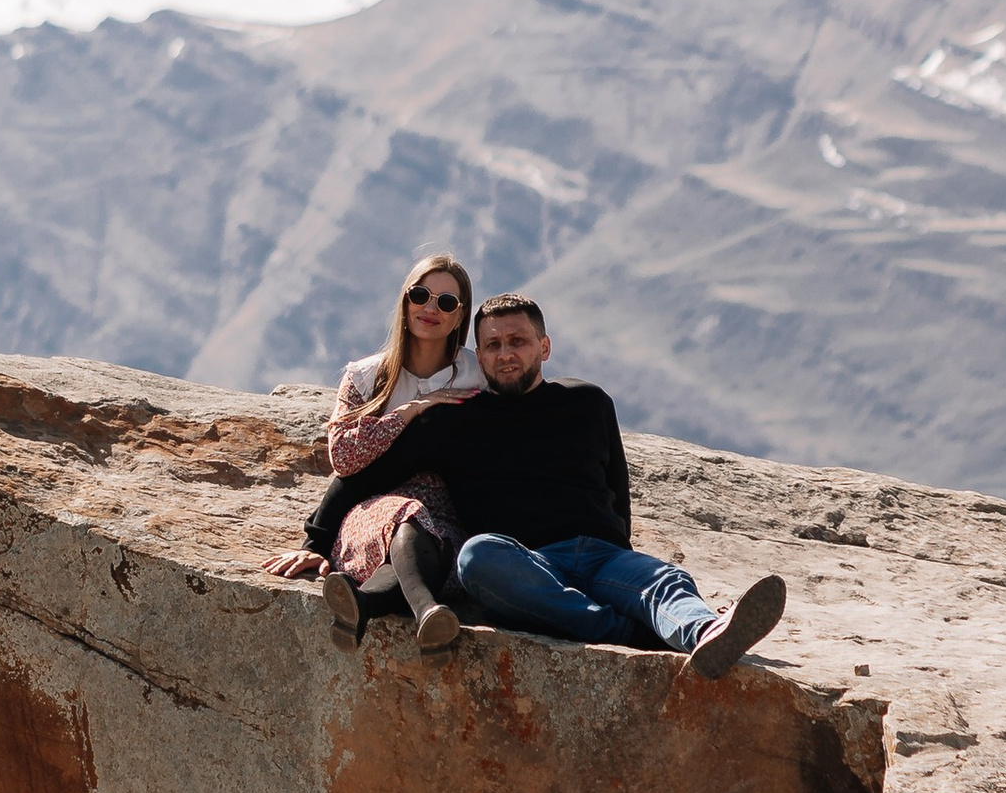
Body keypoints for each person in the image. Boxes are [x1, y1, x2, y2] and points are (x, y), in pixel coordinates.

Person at [293, 292, 787, 680]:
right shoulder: (454, 420)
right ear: (479, 356)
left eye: (518, 341)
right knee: (476, 558)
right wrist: (315, 542)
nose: (506, 354)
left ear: (544, 347)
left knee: (661, 580)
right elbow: (362, 475)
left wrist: (618, 546)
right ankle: (629, 631)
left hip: (601, 555)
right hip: (524, 563)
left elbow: (616, 490)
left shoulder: (588, 402)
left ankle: (707, 632)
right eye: (493, 345)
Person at [266, 252, 481, 651]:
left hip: (450, 518)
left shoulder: (478, 377)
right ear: (405, 300)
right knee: (406, 515)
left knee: (426, 544)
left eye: (446, 302)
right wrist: (408, 412)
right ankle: (428, 612)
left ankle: (361, 604)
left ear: (459, 316)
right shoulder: (364, 378)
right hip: (372, 510)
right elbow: (344, 458)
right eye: (421, 295)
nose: (430, 309)